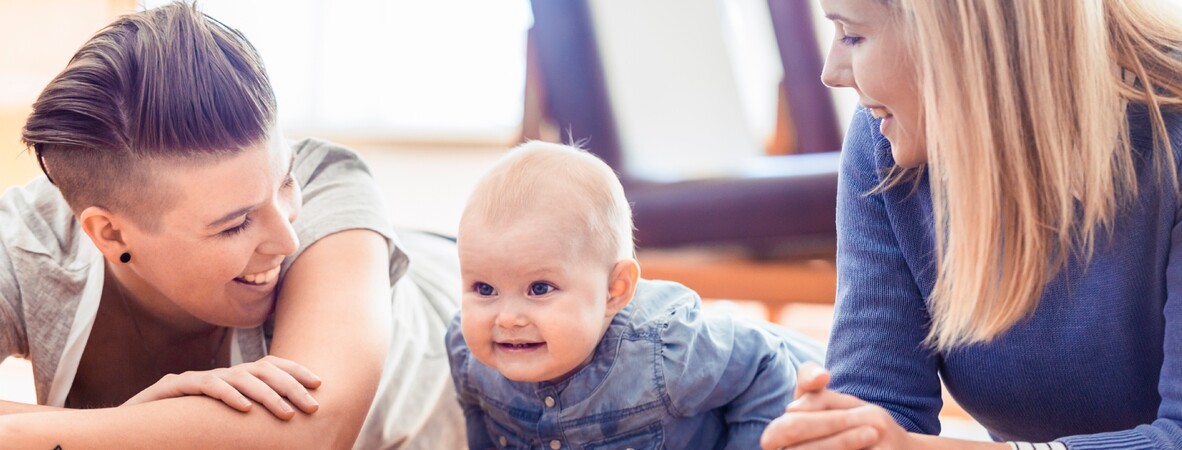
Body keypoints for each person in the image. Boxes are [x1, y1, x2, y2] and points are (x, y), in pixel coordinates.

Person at [0, 3, 463, 448]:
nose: (287, 239)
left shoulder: (332, 185)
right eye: (235, 224)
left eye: (286, 181)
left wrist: (25, 430)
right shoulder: (27, 245)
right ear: (112, 234)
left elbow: (310, 433)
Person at [760, 0, 1182, 449]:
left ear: (955, 36)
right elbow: (881, 409)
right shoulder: (885, 145)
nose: (832, 71)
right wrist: (841, 435)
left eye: (853, 35)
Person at [445, 141, 823, 449]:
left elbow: (762, 362)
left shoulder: (663, 349)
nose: (507, 318)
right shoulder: (469, 354)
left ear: (615, 290)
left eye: (539, 289)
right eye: (484, 289)